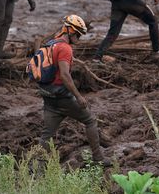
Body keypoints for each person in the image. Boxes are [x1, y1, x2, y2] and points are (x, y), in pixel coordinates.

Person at [38, 14, 111, 166]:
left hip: (48, 96)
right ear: (69, 31)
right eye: (77, 33)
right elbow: (65, 75)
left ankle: (36, 168)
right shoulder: (65, 48)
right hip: (63, 97)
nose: (79, 37)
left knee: (46, 135)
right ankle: (98, 158)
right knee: (90, 120)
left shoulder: (50, 44)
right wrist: (78, 96)